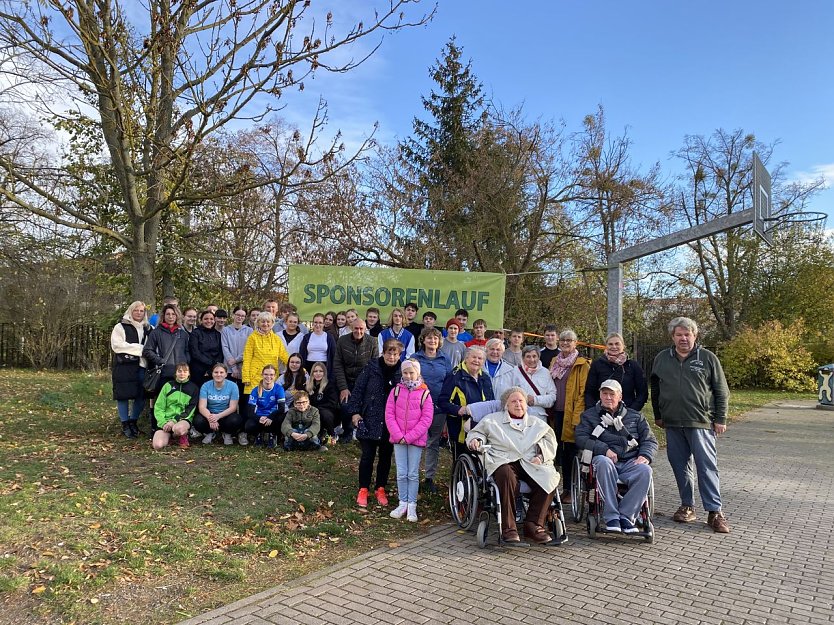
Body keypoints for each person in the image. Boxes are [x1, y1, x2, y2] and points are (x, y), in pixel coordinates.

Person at [651, 317, 731, 533]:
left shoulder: (707, 358)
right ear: (673, 337)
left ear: (695, 335)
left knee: (706, 466)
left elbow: (721, 390)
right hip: (672, 423)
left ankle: (715, 512)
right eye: (679, 334)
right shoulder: (662, 358)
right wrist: (659, 415)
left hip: (701, 422)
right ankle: (687, 506)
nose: (683, 338)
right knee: (680, 466)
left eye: (687, 334)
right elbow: (655, 388)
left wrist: (721, 418)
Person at [466, 387, 560, 544]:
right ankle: (509, 528)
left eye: (521, 401)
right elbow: (477, 433)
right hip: (504, 460)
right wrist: (476, 441)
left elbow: (550, 441)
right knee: (505, 475)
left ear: (526, 404)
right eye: (513, 401)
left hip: (530, 462)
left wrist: (541, 456)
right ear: (506, 405)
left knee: (550, 477)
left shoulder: (537, 423)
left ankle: (533, 525)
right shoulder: (491, 420)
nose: (518, 404)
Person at [575, 379, 657, 533]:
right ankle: (612, 516)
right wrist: (604, 449)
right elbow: (581, 438)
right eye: (604, 393)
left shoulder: (635, 416)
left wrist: (645, 455)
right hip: (603, 460)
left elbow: (650, 440)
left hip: (629, 460)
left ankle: (626, 517)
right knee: (604, 462)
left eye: (612, 394)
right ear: (600, 395)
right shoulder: (589, 416)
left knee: (645, 470)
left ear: (620, 396)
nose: (608, 397)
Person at [346, 338, 404, 507]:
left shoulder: (403, 372)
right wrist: (355, 412)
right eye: (389, 353)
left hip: (390, 421)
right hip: (369, 417)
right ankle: (363, 488)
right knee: (367, 456)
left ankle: (380, 488)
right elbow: (358, 390)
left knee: (385, 456)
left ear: (399, 355)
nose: (391, 357)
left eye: (395, 354)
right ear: (383, 353)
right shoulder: (371, 367)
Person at [385, 359, 434, 522]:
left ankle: (412, 504)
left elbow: (426, 419)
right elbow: (389, 414)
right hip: (398, 439)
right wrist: (398, 435)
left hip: (415, 440)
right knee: (401, 472)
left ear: (418, 373)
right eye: (405, 373)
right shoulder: (396, 391)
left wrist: (409, 436)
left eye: (411, 372)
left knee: (412, 473)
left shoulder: (425, 393)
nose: (408, 376)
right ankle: (402, 502)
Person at [549, 329, 591, 503]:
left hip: (572, 414)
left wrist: (577, 418)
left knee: (570, 453)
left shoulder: (581, 364)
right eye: (563, 340)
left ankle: (571, 489)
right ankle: (556, 488)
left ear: (576, 343)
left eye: (569, 340)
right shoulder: (554, 361)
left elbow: (582, 393)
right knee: (556, 452)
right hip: (555, 413)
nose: (565, 343)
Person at [411, 327, 452, 494]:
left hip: (439, 407)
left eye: (435, 338)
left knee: (433, 442)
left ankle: (429, 477)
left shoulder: (444, 359)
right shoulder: (415, 358)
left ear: (439, 341)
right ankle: (412, 476)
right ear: (423, 340)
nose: (432, 341)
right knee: (415, 441)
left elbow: (449, 381)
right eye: (429, 338)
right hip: (418, 407)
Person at [438, 346, 494, 461]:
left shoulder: (485, 378)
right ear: (466, 358)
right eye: (474, 357)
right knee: (461, 460)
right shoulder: (455, 376)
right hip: (460, 428)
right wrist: (459, 409)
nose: (476, 361)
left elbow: (491, 402)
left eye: (480, 358)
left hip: (481, 427)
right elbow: (443, 402)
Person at [333, 319, 379, 442]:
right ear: (351, 328)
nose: (359, 331)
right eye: (356, 328)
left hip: (364, 381)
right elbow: (337, 364)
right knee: (345, 405)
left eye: (361, 329)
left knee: (365, 406)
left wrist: (366, 385)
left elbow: (374, 364)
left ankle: (362, 431)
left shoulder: (372, 342)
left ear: (365, 329)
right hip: (346, 380)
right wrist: (343, 387)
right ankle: (347, 432)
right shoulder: (342, 341)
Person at [111, 301, 150, 438]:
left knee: (141, 395)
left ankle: (133, 422)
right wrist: (140, 349)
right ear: (131, 311)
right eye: (136, 310)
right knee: (123, 395)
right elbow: (117, 346)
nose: (139, 313)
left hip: (142, 366)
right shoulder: (120, 327)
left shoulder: (148, 328)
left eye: (141, 311)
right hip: (124, 365)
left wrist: (143, 350)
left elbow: (150, 347)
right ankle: (125, 424)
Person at [584, 332, 648, 411]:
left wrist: (631, 411)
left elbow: (642, 393)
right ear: (606, 346)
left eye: (617, 344)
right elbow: (589, 392)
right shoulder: (597, 365)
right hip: (601, 413)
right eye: (610, 344)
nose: (614, 347)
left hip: (628, 412)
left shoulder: (633, 366)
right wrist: (594, 412)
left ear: (623, 346)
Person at [143, 304, 191, 403]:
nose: (171, 316)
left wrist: (186, 360)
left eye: (173, 314)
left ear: (177, 316)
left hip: (181, 374)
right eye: (168, 314)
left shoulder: (183, 334)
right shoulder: (156, 332)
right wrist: (160, 361)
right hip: (164, 374)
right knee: (163, 403)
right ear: (163, 316)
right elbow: (147, 350)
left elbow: (187, 350)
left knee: (179, 403)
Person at [241, 311, 290, 402]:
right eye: (263, 321)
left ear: (272, 323)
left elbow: (284, 356)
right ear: (258, 323)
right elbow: (247, 358)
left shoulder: (276, 339)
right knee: (254, 404)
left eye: (268, 322)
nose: (265, 324)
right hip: (255, 377)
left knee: (270, 403)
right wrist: (246, 377)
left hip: (271, 376)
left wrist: (299, 368)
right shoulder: (252, 338)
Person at [194, 363, 244, 445]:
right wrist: (210, 418)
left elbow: (233, 407)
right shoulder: (205, 386)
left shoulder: (233, 386)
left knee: (236, 420)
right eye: (216, 372)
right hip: (210, 414)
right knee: (198, 421)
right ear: (212, 374)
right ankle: (210, 433)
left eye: (221, 372)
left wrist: (218, 416)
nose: (218, 375)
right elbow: (202, 407)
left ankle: (227, 433)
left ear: (226, 374)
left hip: (225, 415)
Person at [152, 362, 199, 450]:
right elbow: (159, 407)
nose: (182, 374)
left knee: (179, 429)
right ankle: (170, 437)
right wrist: (163, 423)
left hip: (183, 419)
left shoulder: (194, 388)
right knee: (157, 446)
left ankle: (180, 436)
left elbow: (190, 410)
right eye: (179, 371)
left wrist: (173, 421)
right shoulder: (168, 386)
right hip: (166, 420)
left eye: (185, 371)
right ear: (175, 373)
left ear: (189, 374)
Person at [510, 346, 557, 422]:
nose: (532, 360)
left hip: (539, 418)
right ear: (523, 358)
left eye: (534, 356)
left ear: (539, 357)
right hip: (518, 417)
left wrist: (535, 400)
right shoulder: (515, 371)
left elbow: (552, 397)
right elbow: (509, 394)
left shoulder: (546, 373)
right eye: (528, 356)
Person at [244, 364, 286, 448]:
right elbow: (250, 412)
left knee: (282, 418)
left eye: (271, 375)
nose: (268, 377)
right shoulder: (255, 390)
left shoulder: (279, 389)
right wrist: (259, 418)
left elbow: (282, 409)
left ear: (275, 376)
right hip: (260, 417)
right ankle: (258, 435)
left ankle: (272, 435)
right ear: (262, 375)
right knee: (249, 426)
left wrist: (271, 417)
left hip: (272, 417)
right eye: (266, 374)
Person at [222, 306, 253, 405]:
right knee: (228, 397)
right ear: (233, 315)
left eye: (242, 316)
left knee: (243, 398)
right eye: (238, 315)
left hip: (244, 369)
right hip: (228, 368)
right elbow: (225, 347)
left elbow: (249, 350)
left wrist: (236, 360)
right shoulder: (225, 330)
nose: (240, 317)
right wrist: (233, 367)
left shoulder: (249, 331)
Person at [306, 362, 340, 443]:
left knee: (323, 413)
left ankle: (332, 434)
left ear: (324, 373)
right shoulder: (308, 386)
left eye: (321, 371)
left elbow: (333, 403)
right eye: (315, 371)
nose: (318, 373)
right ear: (312, 373)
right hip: (312, 412)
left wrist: (317, 408)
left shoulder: (330, 385)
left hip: (328, 412)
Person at [188, 310, 222, 383]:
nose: (209, 321)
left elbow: (220, 352)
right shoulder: (195, 333)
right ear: (201, 320)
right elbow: (195, 352)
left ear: (214, 320)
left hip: (214, 370)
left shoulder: (217, 334)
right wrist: (210, 363)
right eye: (206, 319)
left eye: (211, 319)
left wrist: (215, 365)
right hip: (199, 370)